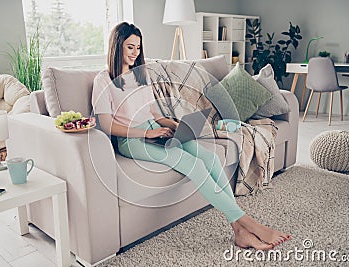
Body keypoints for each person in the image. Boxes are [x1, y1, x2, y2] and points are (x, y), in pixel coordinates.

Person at [92, 22, 291, 250]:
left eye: (138, 47)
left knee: (211, 159)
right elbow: (107, 125)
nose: (135, 53)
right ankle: (249, 224)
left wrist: (175, 124)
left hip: (155, 130)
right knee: (194, 165)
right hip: (132, 140)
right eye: (130, 47)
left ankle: (239, 231)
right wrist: (148, 132)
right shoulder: (103, 80)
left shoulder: (140, 76)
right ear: (117, 47)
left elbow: (152, 112)